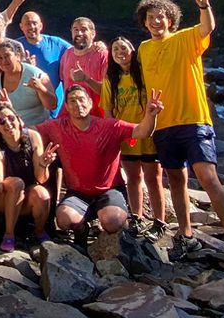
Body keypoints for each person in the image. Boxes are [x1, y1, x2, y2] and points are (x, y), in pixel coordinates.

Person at [136, 0, 224, 260]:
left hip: (193, 120)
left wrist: (203, 4)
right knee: (176, 179)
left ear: (170, 19)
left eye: (160, 16)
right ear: (145, 22)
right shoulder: (142, 48)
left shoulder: (186, 38)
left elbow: (207, 27)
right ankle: (186, 235)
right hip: (164, 124)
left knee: (208, 178)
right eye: (150, 18)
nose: (155, 21)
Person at [38, 84, 162, 244]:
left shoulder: (109, 126)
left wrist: (151, 116)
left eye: (81, 100)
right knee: (63, 220)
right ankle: (83, 230)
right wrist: (7, 113)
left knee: (112, 222)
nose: (78, 105)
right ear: (67, 107)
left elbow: (142, 131)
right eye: (72, 101)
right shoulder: (56, 127)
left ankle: (118, 228)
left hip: (109, 190)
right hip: (78, 193)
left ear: (90, 103)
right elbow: (28, 131)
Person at [101, 37, 167, 238]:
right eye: (115, 50)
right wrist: (113, 136)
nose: (120, 52)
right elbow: (108, 112)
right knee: (132, 178)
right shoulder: (110, 79)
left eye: (124, 48)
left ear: (132, 50)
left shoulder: (145, 74)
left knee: (153, 179)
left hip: (149, 134)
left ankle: (159, 221)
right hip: (126, 135)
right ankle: (137, 218)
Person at [0, 103, 53, 252]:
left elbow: (41, 179)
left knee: (42, 194)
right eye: (2, 121)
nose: (8, 123)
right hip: (5, 196)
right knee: (17, 183)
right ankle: (9, 234)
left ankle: (39, 231)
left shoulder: (33, 136)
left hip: (28, 195)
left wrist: (43, 164)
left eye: (11, 118)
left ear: (19, 120)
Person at [0, 40, 58, 140]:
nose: (3, 61)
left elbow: (52, 105)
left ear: (18, 56)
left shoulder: (36, 75)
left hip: (37, 132)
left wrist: (41, 89)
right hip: (7, 133)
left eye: (7, 56)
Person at [16, 10, 70, 105]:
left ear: (40, 26)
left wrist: (96, 46)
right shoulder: (15, 46)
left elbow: (78, 52)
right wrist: (26, 68)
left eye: (35, 23)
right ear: (21, 27)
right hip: (29, 104)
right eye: (28, 24)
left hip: (55, 102)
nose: (32, 27)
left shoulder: (56, 43)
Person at [60, 17, 109, 101]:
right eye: (75, 30)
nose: (79, 33)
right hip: (69, 113)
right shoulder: (66, 54)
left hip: (96, 113)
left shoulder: (102, 54)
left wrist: (86, 79)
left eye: (83, 30)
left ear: (93, 34)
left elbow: (108, 92)